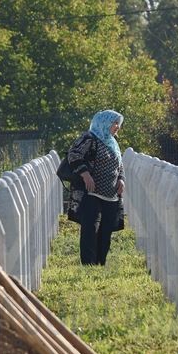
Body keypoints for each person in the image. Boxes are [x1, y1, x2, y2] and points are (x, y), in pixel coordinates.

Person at [67, 110, 125, 266]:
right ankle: (88, 263)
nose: (117, 126)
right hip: (91, 193)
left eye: (118, 123)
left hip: (111, 194)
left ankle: (101, 262)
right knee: (90, 228)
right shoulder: (89, 138)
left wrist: (121, 180)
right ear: (104, 123)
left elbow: (119, 166)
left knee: (106, 229)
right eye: (115, 123)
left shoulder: (113, 142)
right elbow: (74, 155)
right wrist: (85, 174)